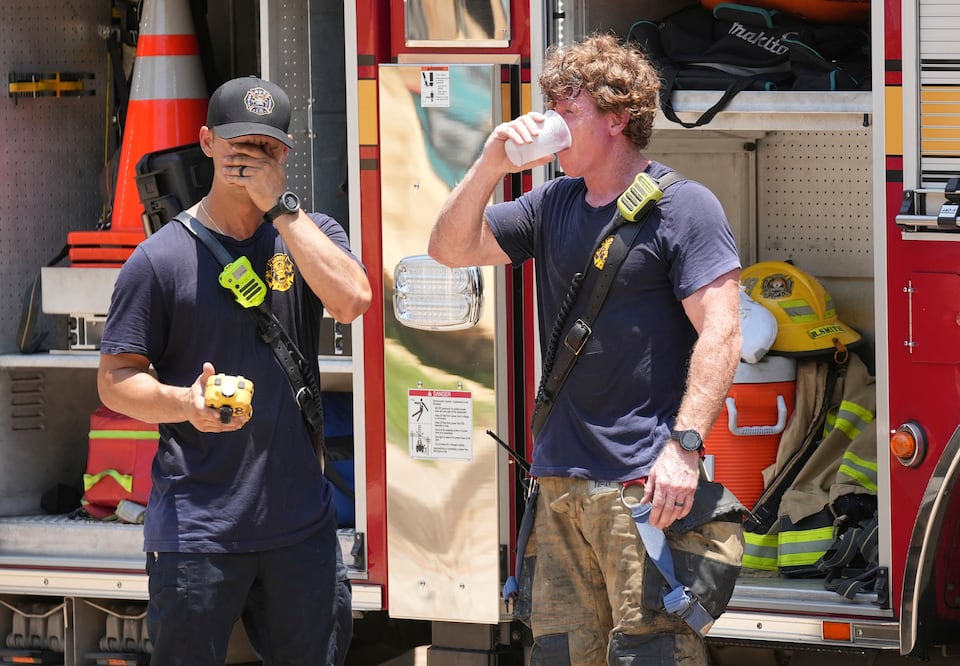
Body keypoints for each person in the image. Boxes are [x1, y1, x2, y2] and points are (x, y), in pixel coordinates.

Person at [428, 34, 743, 665]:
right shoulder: (553, 202)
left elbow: (723, 331)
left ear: (617, 117)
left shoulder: (684, 208)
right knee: (560, 656)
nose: (551, 124)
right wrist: (490, 164)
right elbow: (448, 249)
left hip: (642, 487)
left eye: (568, 111)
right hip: (560, 484)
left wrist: (683, 448)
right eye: (551, 109)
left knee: (651, 654)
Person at [97, 76, 371, 665]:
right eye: (237, 143)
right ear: (207, 142)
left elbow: (353, 301)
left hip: (301, 527)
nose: (250, 158)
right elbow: (115, 379)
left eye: (265, 147)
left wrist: (282, 210)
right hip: (198, 530)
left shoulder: (310, 235)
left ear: (285, 154)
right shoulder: (160, 259)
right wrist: (184, 404)